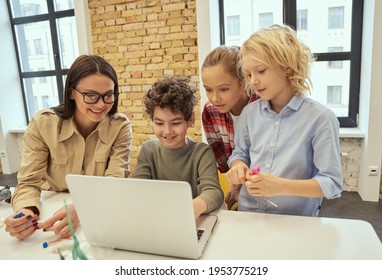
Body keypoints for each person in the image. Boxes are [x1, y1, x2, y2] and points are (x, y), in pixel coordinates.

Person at [5, 55, 133, 239]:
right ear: (72, 92)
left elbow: (114, 182)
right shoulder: (44, 123)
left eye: (108, 95)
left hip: (97, 211)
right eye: (90, 95)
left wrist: (83, 208)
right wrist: (25, 211)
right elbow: (29, 182)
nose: (101, 104)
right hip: (50, 213)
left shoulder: (120, 127)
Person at [226, 24, 343, 216]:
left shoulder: (321, 119)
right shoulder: (249, 114)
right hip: (248, 214)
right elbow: (240, 153)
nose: (253, 81)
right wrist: (237, 166)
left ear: (287, 68)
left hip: (295, 220)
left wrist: (280, 186)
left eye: (261, 71)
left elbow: (332, 183)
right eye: (248, 74)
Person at [132, 76, 224, 219]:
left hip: (192, 221)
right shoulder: (148, 151)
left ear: (190, 119)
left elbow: (213, 192)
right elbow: (137, 190)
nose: (167, 131)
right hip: (157, 221)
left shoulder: (201, 152)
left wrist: (193, 208)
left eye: (175, 123)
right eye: (159, 123)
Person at [201, 46, 259, 210]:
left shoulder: (262, 106)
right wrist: (235, 184)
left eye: (224, 89)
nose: (215, 97)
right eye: (208, 89)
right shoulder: (210, 111)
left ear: (243, 83)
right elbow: (223, 160)